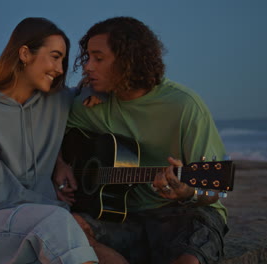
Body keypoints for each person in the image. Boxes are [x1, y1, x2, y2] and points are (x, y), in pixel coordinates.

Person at [54, 17, 229, 264]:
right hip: (122, 219)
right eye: (88, 58)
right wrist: (61, 164)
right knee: (69, 227)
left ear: (129, 60)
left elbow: (215, 188)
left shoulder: (184, 106)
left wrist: (186, 190)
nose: (87, 67)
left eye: (99, 58)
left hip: (181, 215)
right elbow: (58, 135)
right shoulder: (90, 105)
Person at [0, 17, 99, 264]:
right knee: (58, 225)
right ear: (25, 53)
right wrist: (59, 210)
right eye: (55, 56)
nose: (59, 69)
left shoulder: (56, 101)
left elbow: (87, 90)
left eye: (63, 61)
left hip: (35, 225)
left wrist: (59, 162)